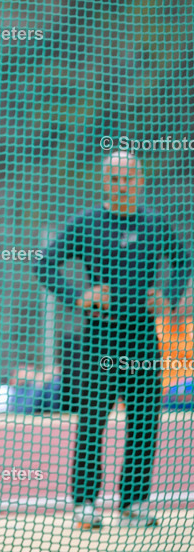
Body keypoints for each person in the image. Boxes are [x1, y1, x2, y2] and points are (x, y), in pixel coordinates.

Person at [33, 150, 192, 530]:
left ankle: (133, 503)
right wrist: (79, 297)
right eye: (114, 178)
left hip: (141, 337)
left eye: (129, 177)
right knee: (93, 421)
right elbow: (44, 265)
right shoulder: (87, 223)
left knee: (144, 422)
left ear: (141, 181)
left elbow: (183, 262)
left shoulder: (155, 225)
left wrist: (167, 297)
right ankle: (85, 504)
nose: (122, 184)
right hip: (100, 339)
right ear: (104, 181)